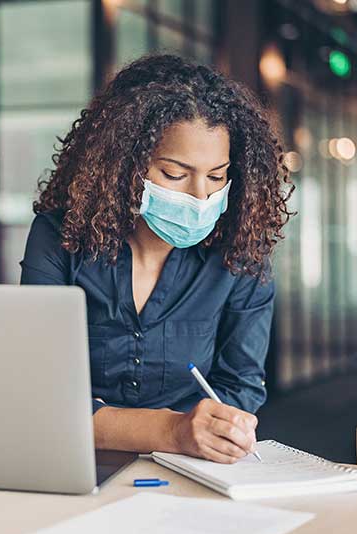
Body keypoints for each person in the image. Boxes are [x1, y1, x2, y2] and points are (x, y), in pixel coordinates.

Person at [19, 54, 294, 464]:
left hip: (193, 467)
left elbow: (240, 388)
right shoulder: (60, 236)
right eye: (174, 174)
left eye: (216, 176)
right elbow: (42, 395)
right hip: (69, 460)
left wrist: (221, 430)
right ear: (124, 165)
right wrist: (172, 430)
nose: (200, 196)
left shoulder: (240, 252)